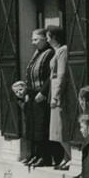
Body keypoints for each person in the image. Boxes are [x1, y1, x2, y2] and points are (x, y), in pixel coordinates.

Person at [19, 29, 54, 167]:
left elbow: (51, 76)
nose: (33, 43)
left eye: (36, 40)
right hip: (32, 93)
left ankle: (44, 156)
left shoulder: (50, 53)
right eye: (32, 40)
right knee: (32, 126)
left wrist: (44, 92)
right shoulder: (37, 54)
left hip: (42, 95)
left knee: (41, 126)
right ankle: (34, 155)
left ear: (45, 39)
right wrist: (26, 91)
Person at [46, 26, 71, 169]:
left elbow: (61, 74)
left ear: (54, 37)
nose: (47, 39)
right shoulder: (57, 51)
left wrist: (56, 96)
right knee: (56, 129)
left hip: (59, 94)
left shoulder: (63, 51)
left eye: (48, 36)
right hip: (53, 90)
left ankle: (70, 156)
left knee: (60, 127)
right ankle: (66, 157)